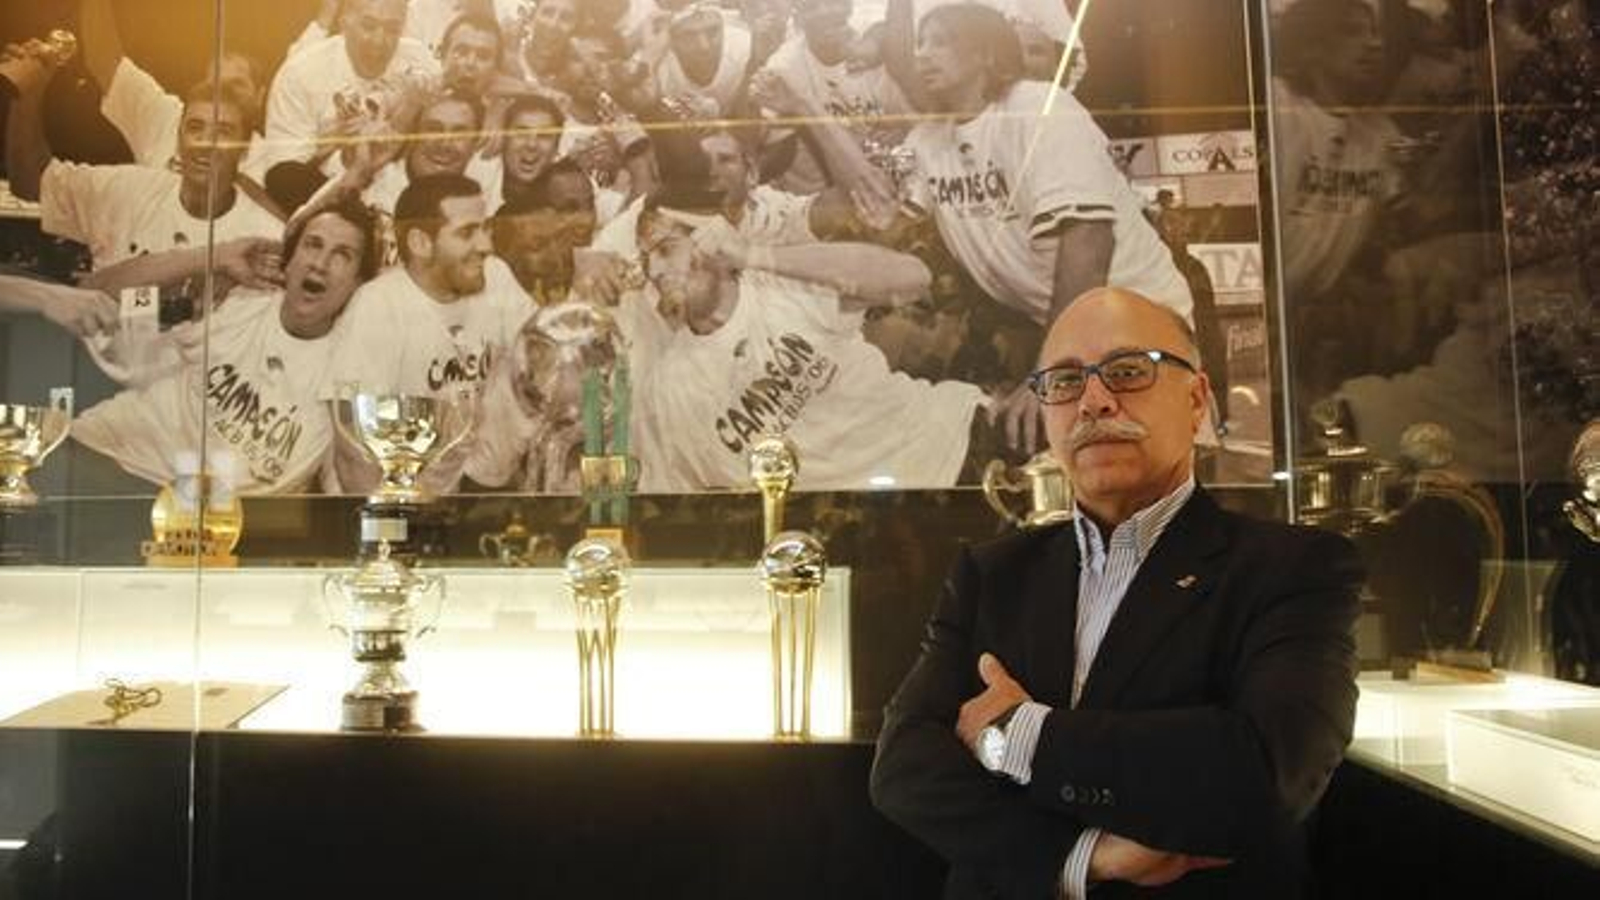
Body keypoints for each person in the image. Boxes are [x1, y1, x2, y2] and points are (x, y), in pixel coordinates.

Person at [871, 287, 1364, 898]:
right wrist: (1084, 855)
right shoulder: (992, 574)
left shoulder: (1292, 569)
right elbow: (903, 768)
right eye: (1066, 381)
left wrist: (1020, 733)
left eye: (1129, 372)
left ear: (1197, 399)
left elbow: (1264, 774)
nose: (1095, 402)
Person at [629, 195, 988, 491]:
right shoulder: (672, 388)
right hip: (864, 528)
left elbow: (913, 278)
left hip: (950, 447)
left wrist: (753, 254)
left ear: (709, 238)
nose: (656, 272)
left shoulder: (779, 285)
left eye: (664, 249)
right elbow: (684, 499)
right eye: (645, 262)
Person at [69, 202, 379, 494]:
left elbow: (352, 482)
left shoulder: (347, 373)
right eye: (312, 244)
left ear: (358, 283)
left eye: (342, 255)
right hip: (108, 459)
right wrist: (213, 256)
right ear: (290, 259)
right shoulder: (234, 298)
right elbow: (92, 296)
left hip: (211, 524)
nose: (320, 264)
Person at [327, 173, 532, 493]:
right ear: (421, 243)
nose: (486, 245)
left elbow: (542, 351)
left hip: (454, 490)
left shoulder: (494, 275)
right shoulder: (378, 306)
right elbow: (354, 452)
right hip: (380, 495)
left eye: (486, 229)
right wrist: (389, 533)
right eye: (467, 233)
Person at [262, 0, 440, 174]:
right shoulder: (300, 73)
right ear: (344, 22)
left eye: (392, 29)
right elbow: (284, 172)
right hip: (322, 187)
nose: (379, 40)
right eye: (368, 26)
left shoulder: (421, 60)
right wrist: (333, 143)